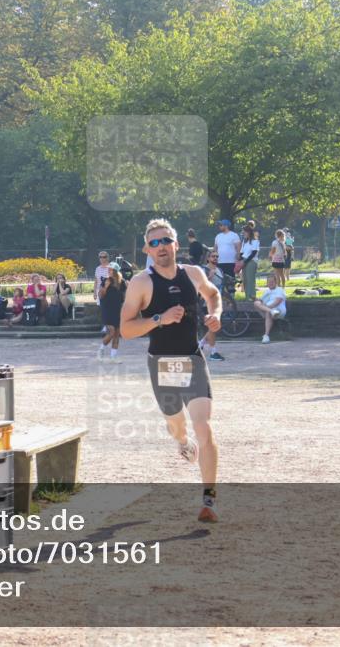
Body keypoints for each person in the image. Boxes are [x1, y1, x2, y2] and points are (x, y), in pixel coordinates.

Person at [121, 218, 223, 523]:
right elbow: (125, 329)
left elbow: (213, 294)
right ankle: (181, 442)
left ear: (176, 244)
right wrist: (158, 319)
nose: (161, 247)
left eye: (166, 240)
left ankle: (209, 499)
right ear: (146, 250)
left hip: (192, 359)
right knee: (177, 426)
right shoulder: (141, 283)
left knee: (203, 425)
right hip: (162, 364)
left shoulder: (193, 274)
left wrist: (215, 314)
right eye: (154, 243)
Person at [198, 252, 226, 361]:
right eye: (213, 256)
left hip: (218, 302)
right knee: (212, 326)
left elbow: (222, 286)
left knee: (214, 326)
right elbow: (202, 286)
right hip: (207, 302)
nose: (215, 258)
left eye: (217, 256)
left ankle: (200, 343)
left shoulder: (220, 270)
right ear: (208, 258)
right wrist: (210, 277)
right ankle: (213, 352)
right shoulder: (204, 270)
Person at [97, 263, 127, 362]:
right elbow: (100, 296)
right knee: (111, 332)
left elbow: (124, 297)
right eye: (108, 269)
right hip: (107, 310)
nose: (108, 271)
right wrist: (105, 286)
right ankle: (101, 348)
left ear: (116, 271)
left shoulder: (121, 283)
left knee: (117, 334)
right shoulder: (105, 280)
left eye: (111, 270)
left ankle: (113, 357)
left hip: (118, 309)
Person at [254, 274, 287, 344]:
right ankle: (271, 311)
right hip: (270, 311)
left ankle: (266, 335)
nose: (270, 283)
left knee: (268, 312)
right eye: (269, 282)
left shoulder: (280, 290)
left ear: (276, 282)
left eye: (272, 282)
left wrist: (268, 307)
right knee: (256, 303)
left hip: (279, 311)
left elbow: (277, 302)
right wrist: (256, 299)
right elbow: (261, 302)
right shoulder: (267, 291)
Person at [238, 225, 259, 301]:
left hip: (251, 262)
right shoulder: (244, 241)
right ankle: (247, 297)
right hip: (244, 262)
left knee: (250, 280)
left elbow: (253, 253)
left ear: (249, 232)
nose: (243, 233)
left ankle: (252, 297)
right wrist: (239, 260)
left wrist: (244, 261)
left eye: (245, 231)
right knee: (245, 280)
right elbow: (242, 252)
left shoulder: (255, 241)